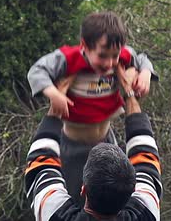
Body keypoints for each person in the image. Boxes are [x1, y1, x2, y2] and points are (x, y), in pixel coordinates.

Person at [27, 11, 158, 204]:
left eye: (115, 56)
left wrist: (145, 73)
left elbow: (141, 59)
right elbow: (36, 71)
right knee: (73, 200)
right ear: (85, 46)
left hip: (106, 139)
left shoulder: (121, 56)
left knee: (114, 198)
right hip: (72, 145)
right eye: (102, 56)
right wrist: (53, 93)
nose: (110, 63)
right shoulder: (67, 58)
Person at [25, 64, 162, 220]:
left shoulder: (147, 212)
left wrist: (57, 102)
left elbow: (40, 167)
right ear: (132, 191)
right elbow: (146, 157)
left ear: (83, 189)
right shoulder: (146, 215)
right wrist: (130, 93)